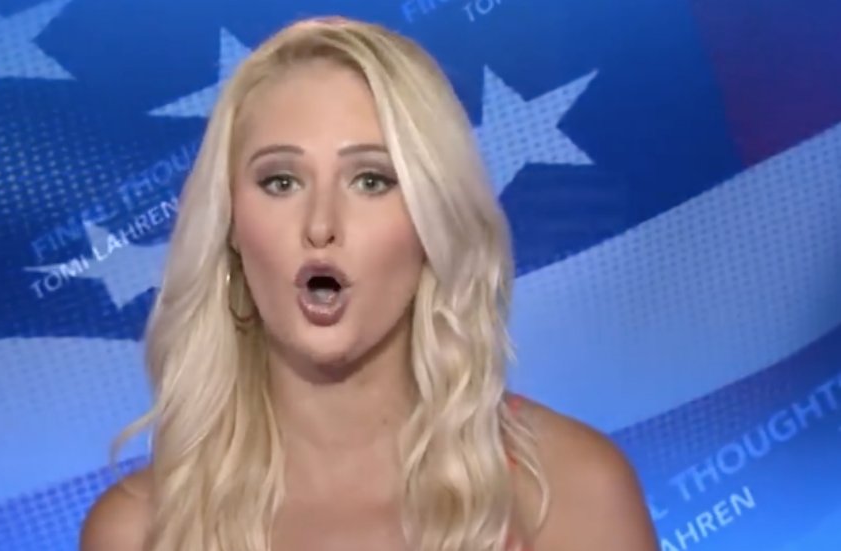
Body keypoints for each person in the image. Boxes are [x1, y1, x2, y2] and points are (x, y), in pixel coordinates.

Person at [80, 15, 658, 551]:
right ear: (230, 225)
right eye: (281, 182)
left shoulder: (570, 494)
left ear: (434, 220)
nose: (320, 225)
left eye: (372, 181)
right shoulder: (140, 530)